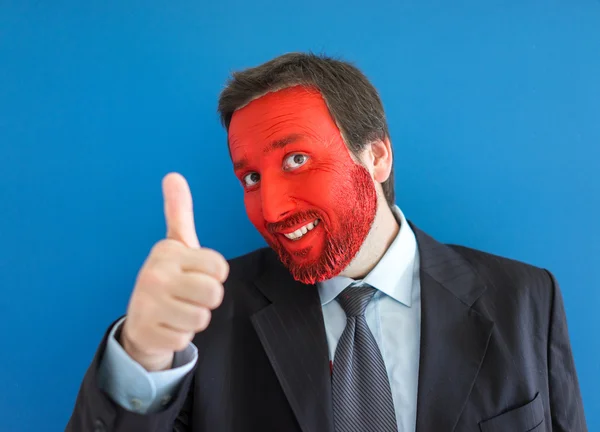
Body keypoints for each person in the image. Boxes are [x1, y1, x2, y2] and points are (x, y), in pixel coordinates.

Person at [66, 53, 587, 432]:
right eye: (250, 178)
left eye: (296, 159)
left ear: (377, 157)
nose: (270, 209)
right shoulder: (206, 315)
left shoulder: (526, 297)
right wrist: (144, 358)